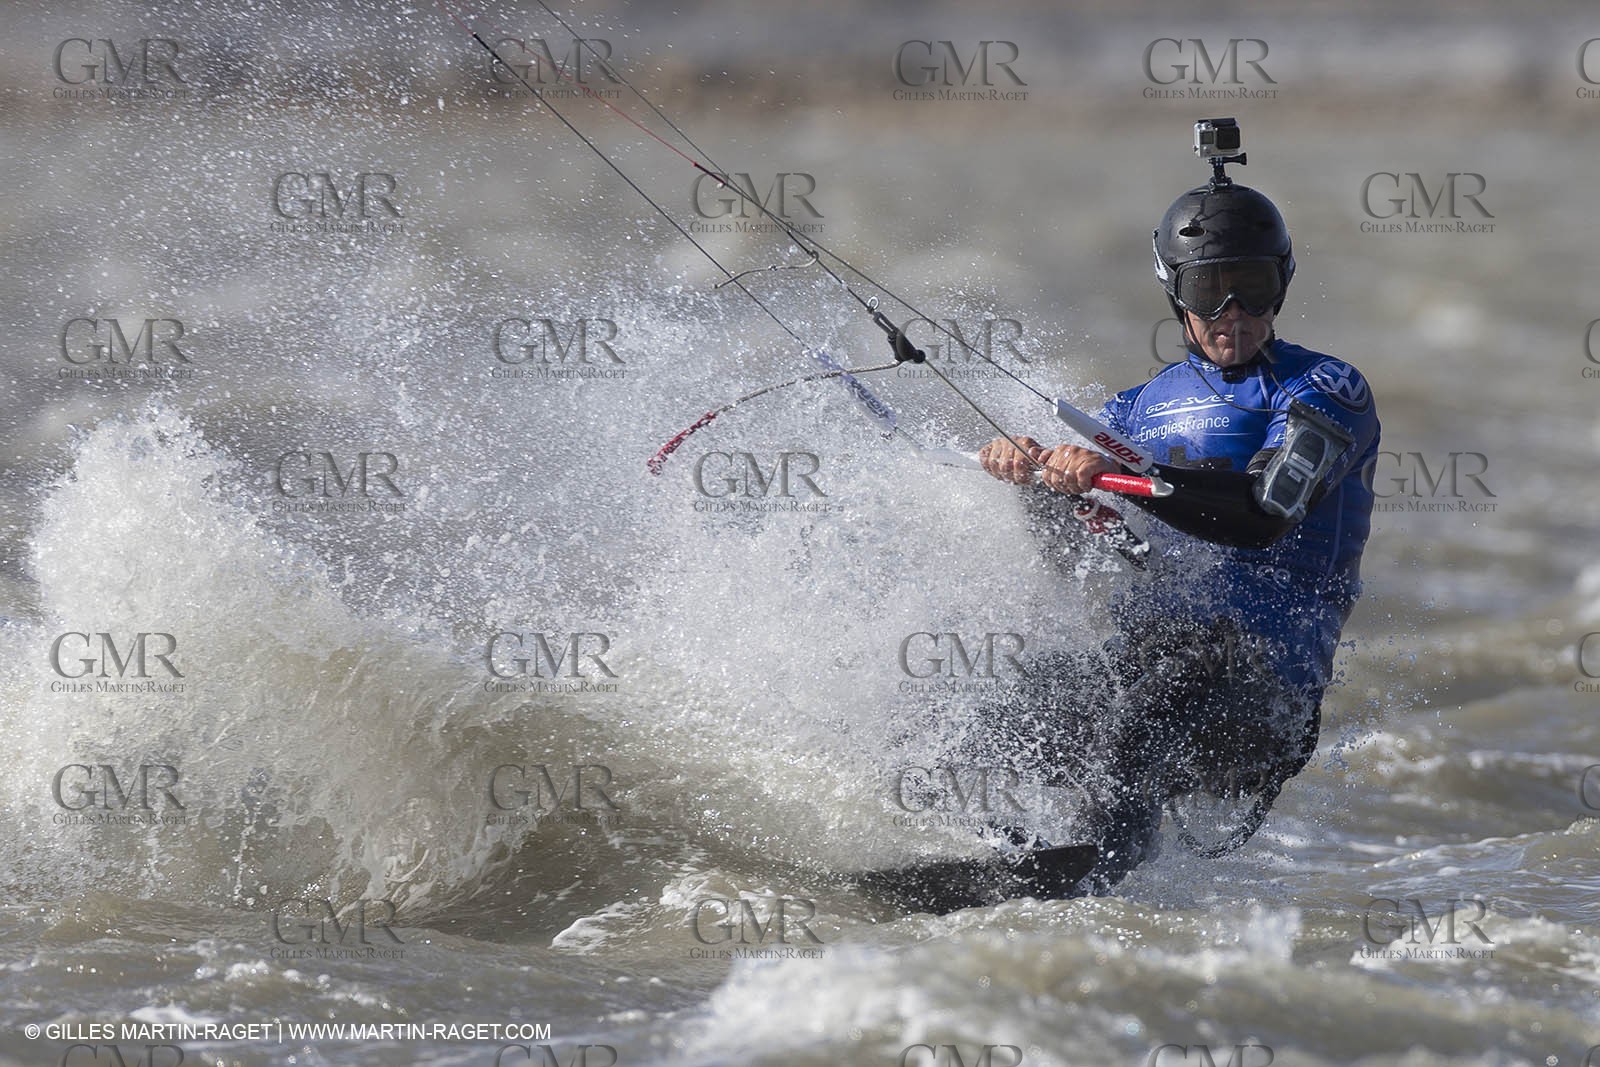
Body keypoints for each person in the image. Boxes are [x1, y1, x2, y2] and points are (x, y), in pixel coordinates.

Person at [972, 158, 1381, 893]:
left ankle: (1090, 883)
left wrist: (1111, 474)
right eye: (1206, 289)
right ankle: (988, 862)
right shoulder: (1133, 411)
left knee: (1154, 705)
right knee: (998, 714)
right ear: (1175, 292)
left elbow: (1263, 514)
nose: (1232, 312)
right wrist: (1037, 483)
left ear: (1280, 285)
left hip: (1263, 690)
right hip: (1147, 656)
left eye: (1252, 287)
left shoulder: (1326, 389)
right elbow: (1082, 559)